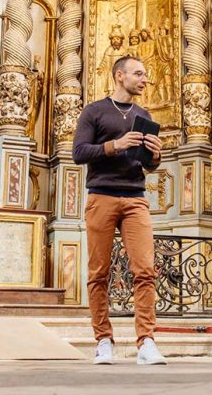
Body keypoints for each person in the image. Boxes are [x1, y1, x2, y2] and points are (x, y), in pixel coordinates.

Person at [72, 55, 166, 366]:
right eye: (138, 73)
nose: (144, 79)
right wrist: (116, 144)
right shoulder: (94, 111)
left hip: (136, 197)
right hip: (102, 195)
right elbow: (79, 152)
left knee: (145, 270)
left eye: (145, 75)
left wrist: (155, 155)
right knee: (99, 272)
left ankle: (147, 341)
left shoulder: (144, 114)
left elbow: (148, 164)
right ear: (119, 75)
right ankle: (103, 340)